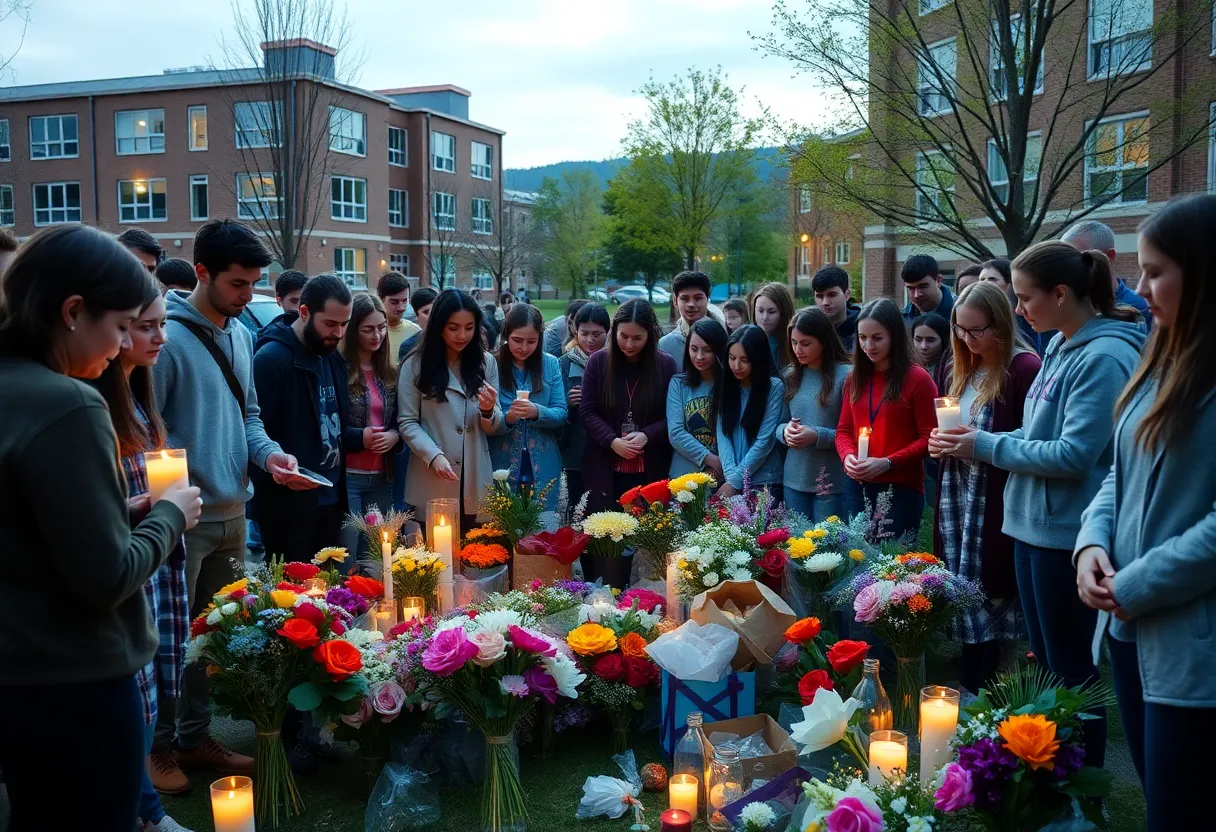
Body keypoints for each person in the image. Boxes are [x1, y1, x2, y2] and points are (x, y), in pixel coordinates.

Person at [0, 225, 201, 831]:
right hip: (79, 683)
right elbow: (104, 577)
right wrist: (168, 516)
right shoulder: (69, 403)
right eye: (119, 327)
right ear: (71, 311)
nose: (120, 348)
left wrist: (121, 513)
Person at [933, 241, 1146, 771]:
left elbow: (1076, 454)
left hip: (1064, 533)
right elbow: (1037, 431)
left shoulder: (1104, 356)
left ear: (1061, 293)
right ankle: (1051, 771)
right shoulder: (1060, 345)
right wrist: (986, 441)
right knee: (1049, 666)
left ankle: (1082, 783)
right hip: (1029, 524)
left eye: (1025, 299)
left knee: (1071, 668)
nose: (1020, 311)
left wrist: (983, 445)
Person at [1074, 195, 1216, 829]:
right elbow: (1119, 472)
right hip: (1129, 626)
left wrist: (1136, 583)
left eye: (1156, 271)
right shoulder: (1162, 356)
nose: (1138, 287)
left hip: (1191, 646)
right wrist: (1092, 544)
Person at [151, 220, 299, 792]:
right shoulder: (164, 339)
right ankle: (160, 747)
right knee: (171, 641)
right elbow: (148, 432)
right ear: (203, 273)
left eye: (255, 283)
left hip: (235, 512)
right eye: (238, 284)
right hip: (179, 520)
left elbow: (250, 418)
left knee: (214, 641)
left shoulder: (240, 333)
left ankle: (195, 737)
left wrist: (272, 458)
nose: (247, 297)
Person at [93, 283, 196, 832]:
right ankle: (145, 810)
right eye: (144, 325)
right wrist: (157, 509)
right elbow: (95, 513)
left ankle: (145, 809)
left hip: (153, 554)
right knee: (130, 696)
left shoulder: (139, 391)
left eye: (162, 324)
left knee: (151, 686)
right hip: (132, 559)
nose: (159, 336)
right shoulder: (90, 404)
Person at [928, 282, 1041, 694]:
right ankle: (972, 681)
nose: (968, 340)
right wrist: (938, 443)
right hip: (958, 497)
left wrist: (977, 445)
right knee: (963, 588)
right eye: (960, 330)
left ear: (1001, 324)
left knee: (994, 590)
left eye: (977, 331)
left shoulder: (1024, 370)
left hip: (995, 497)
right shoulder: (957, 366)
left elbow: (1034, 440)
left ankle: (991, 687)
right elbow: (951, 425)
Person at [252, 274, 363, 563]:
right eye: (330, 323)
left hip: (331, 500)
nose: (338, 333)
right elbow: (252, 432)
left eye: (344, 324)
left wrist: (362, 437)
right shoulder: (270, 360)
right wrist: (279, 473)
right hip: (287, 508)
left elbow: (330, 426)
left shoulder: (331, 355)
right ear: (304, 312)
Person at [398, 289, 506, 533]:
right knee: (437, 557)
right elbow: (407, 422)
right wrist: (433, 455)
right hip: (434, 473)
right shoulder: (415, 364)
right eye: (453, 327)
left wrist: (488, 411)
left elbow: (494, 425)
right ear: (438, 326)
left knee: (476, 555)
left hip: (475, 474)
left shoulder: (486, 362)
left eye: (469, 327)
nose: (462, 335)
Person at [836, 298, 937, 540]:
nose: (868, 345)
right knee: (856, 564)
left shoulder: (917, 379)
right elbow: (843, 430)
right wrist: (848, 456)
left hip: (900, 489)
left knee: (891, 568)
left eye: (876, 338)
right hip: (858, 486)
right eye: (862, 338)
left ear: (894, 335)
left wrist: (888, 462)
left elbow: (929, 438)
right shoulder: (855, 378)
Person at [580, 299, 677, 511]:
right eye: (623, 336)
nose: (629, 344)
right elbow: (587, 411)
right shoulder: (598, 362)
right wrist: (612, 440)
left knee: (649, 533)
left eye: (637, 338)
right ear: (614, 332)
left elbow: (674, 417)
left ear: (650, 335)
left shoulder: (665, 365)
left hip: (651, 465)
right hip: (605, 465)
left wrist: (647, 435)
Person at [339, 293, 400, 558]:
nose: (377, 335)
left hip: (381, 477)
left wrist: (396, 435)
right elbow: (330, 426)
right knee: (347, 556)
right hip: (348, 475)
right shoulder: (338, 369)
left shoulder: (390, 371)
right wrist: (359, 436)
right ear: (353, 331)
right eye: (368, 329)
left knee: (379, 557)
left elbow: (402, 418)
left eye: (382, 328)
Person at [490, 304, 567, 509]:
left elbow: (561, 412)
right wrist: (508, 417)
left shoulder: (550, 364)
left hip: (543, 458)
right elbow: (484, 416)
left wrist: (537, 412)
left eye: (531, 341)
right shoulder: (492, 365)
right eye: (517, 340)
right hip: (501, 458)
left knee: (544, 523)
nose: (524, 348)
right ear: (506, 335)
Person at [779, 308, 851, 521]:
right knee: (797, 550)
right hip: (793, 479)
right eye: (794, 342)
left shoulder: (846, 375)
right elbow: (776, 423)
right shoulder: (790, 375)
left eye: (806, 343)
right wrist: (785, 432)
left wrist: (817, 436)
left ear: (824, 340)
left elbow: (855, 432)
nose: (798, 349)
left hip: (832, 481)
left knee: (828, 550)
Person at [716, 324, 786, 501]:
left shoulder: (774, 388)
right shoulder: (726, 385)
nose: (736, 366)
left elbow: (765, 440)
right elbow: (723, 434)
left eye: (744, 360)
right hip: (731, 478)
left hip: (764, 482)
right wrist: (732, 478)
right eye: (732, 358)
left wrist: (734, 480)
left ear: (758, 359)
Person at [559, 303, 610, 515]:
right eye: (584, 333)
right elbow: (554, 404)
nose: (590, 340)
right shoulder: (564, 363)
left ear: (608, 333)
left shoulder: (613, 362)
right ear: (575, 331)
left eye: (597, 334)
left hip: (607, 447)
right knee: (577, 508)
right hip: (575, 451)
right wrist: (567, 402)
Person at [1062, 219, 1153, 329]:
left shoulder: (1141, 308)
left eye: (1078, 259)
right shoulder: (1060, 306)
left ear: (1110, 256)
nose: (1067, 268)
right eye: (1063, 259)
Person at [667, 317, 728, 479]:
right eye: (694, 349)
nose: (699, 356)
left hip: (724, 474)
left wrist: (721, 467)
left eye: (707, 350)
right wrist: (711, 460)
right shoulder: (679, 383)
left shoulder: (730, 385)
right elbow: (676, 433)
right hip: (685, 475)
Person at [981, 257, 1051, 353]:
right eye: (982, 280)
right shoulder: (980, 314)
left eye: (992, 279)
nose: (985, 284)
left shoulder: (1024, 314)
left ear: (1010, 283)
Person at [657, 270, 725, 359]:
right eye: (685, 299)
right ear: (675, 300)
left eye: (698, 298)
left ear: (708, 298)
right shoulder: (665, 345)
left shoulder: (723, 337)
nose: (691, 304)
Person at [812, 265, 861, 350]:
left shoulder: (863, 332)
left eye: (832, 295)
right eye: (819, 296)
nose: (825, 302)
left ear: (847, 294)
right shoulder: (808, 329)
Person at [750, 282, 795, 371]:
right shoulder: (746, 340)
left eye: (771, 312)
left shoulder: (794, 344)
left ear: (783, 312)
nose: (765, 317)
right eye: (760, 310)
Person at [901, 254, 956, 325]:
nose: (916, 295)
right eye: (911, 288)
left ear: (938, 281)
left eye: (923, 286)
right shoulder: (902, 319)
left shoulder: (960, 312)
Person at [378, 271, 420, 361]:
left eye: (404, 301)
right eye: (394, 302)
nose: (401, 307)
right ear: (381, 298)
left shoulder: (416, 333)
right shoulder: (372, 334)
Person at [911, 312, 952, 396]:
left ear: (943, 340)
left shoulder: (953, 370)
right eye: (918, 339)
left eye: (930, 340)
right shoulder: (907, 366)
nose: (923, 346)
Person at [398, 286, 438, 364]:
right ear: (417, 317)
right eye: (426, 312)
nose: (431, 316)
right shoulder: (408, 347)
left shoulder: (451, 341)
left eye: (435, 311)